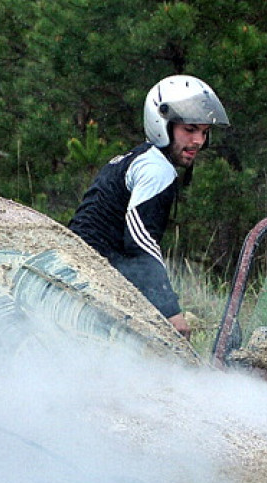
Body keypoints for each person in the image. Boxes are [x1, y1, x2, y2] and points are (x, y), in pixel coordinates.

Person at [69, 75, 229, 339]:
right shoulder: (156, 169)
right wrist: (170, 311)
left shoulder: (138, 158)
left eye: (204, 132)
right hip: (89, 282)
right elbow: (139, 241)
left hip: (85, 274)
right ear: (162, 124)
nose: (199, 141)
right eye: (189, 130)